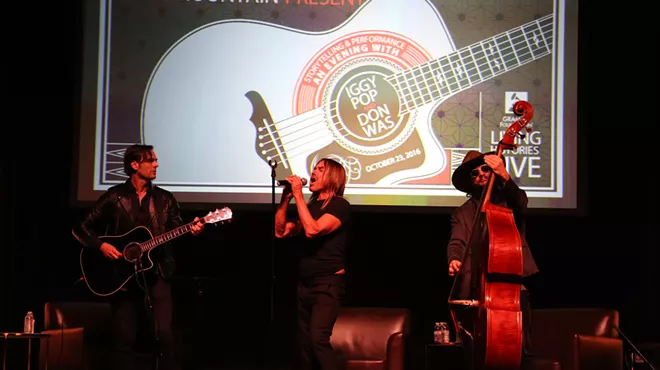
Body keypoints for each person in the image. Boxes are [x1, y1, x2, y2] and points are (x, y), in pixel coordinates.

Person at [72, 144, 204, 370]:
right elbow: (80, 228)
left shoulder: (165, 199)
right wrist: (101, 245)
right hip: (121, 276)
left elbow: (176, 229)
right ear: (134, 165)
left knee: (164, 335)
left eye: (155, 160)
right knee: (124, 338)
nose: (156, 164)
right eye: (151, 160)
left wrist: (193, 229)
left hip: (157, 272)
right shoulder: (114, 197)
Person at [446, 150, 539, 366]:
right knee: (476, 356)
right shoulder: (462, 213)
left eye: (485, 169)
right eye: (474, 173)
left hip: (510, 292)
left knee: (518, 352)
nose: (481, 174)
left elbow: (521, 201)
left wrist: (504, 174)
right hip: (476, 292)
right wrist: (454, 259)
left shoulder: (509, 202)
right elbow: (456, 241)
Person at [275, 158, 351, 370]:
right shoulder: (309, 207)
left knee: (318, 339)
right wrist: (285, 200)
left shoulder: (340, 205)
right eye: (314, 168)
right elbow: (280, 232)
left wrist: (298, 195)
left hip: (328, 284)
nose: (313, 172)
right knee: (304, 346)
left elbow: (313, 230)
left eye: (320, 169)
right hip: (305, 285)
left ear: (333, 177)